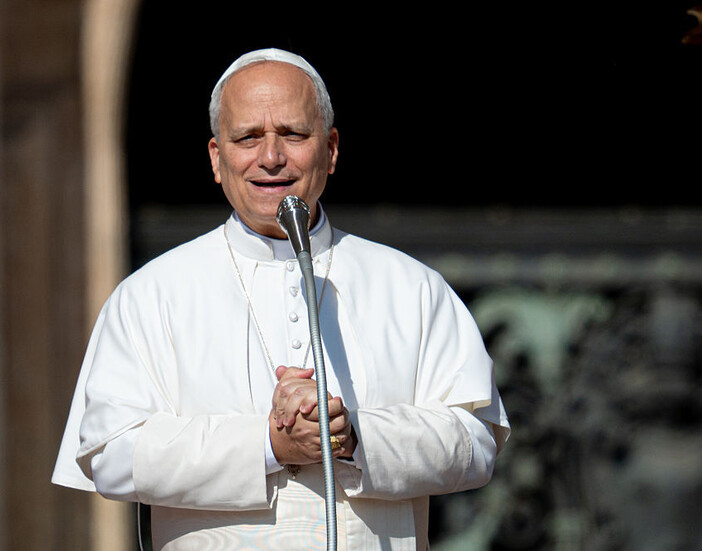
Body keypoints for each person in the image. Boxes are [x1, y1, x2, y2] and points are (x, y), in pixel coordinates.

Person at [52, 48, 510, 550]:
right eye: (247, 137)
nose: (270, 157)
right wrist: (269, 444)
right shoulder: (150, 295)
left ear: (330, 149)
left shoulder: (411, 287)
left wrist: (353, 437)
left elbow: (475, 442)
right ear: (216, 158)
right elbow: (111, 456)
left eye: (293, 134)